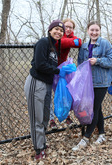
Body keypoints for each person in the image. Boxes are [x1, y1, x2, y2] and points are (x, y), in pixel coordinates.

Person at [24, 20, 71, 160]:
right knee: (36, 117)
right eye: (56, 29)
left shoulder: (54, 47)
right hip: (36, 82)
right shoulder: (43, 42)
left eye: (61, 31)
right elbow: (39, 64)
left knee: (45, 116)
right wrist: (58, 71)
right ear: (50, 30)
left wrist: (62, 70)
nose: (59, 32)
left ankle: (42, 142)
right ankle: (38, 149)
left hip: (47, 85)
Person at [72, 21, 112, 151]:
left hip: (101, 82)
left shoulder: (105, 44)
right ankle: (101, 134)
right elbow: (80, 63)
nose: (94, 32)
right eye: (92, 30)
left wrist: (98, 61)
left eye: (97, 30)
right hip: (88, 83)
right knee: (97, 109)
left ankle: (86, 138)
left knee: (93, 108)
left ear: (100, 31)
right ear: (88, 31)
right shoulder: (84, 47)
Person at [49, 18, 82, 129]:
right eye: (66, 27)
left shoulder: (68, 36)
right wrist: (71, 42)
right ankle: (51, 120)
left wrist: (72, 41)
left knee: (65, 93)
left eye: (70, 28)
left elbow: (79, 42)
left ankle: (67, 117)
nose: (68, 29)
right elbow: (59, 43)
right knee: (49, 95)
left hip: (62, 70)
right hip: (50, 68)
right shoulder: (56, 37)